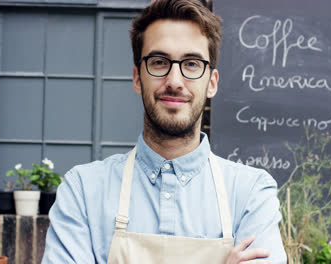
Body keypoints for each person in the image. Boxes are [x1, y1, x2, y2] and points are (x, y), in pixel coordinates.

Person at [42, 0, 287, 263]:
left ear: (212, 83)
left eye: (192, 64)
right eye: (159, 62)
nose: (174, 82)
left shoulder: (251, 192)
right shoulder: (83, 190)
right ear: (137, 78)